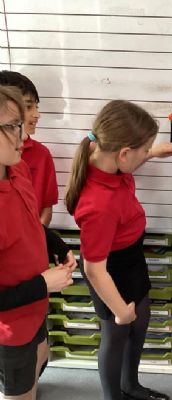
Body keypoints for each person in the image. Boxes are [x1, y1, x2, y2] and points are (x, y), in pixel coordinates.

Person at [65, 100, 172, 400]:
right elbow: (94, 269)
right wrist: (119, 310)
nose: (146, 153)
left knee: (140, 321)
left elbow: (130, 157)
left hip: (131, 258)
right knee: (116, 334)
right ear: (124, 154)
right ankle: (112, 396)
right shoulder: (99, 206)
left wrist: (153, 152)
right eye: (144, 150)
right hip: (109, 270)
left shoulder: (104, 157)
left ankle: (130, 385)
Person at [0, 85, 76, 399]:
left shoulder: (16, 168)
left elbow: (30, 222)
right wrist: (43, 283)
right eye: (12, 126)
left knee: (40, 357)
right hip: (10, 329)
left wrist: (56, 245)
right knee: (19, 392)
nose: (23, 136)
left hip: (34, 310)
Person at [0, 70, 58, 226]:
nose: (37, 114)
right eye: (28, 106)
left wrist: (37, 234)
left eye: (36, 106)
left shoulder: (36, 158)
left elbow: (45, 208)